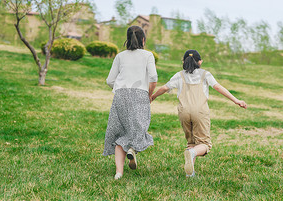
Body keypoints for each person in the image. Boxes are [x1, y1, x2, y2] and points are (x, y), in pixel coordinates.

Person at [151, 49, 247, 177]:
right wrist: (236, 100)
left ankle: (190, 173)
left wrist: (152, 97)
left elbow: (164, 88)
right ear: (200, 61)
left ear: (183, 62)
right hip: (200, 112)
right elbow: (218, 87)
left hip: (184, 112)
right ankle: (192, 153)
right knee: (204, 144)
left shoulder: (179, 75)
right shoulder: (205, 74)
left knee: (191, 142)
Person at [102, 26, 158, 180]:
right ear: (143, 40)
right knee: (139, 127)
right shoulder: (148, 55)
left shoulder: (120, 56)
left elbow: (109, 80)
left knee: (120, 132)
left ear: (127, 39)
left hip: (120, 95)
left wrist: (120, 89)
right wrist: (149, 94)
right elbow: (153, 78)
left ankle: (118, 173)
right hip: (140, 93)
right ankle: (132, 149)